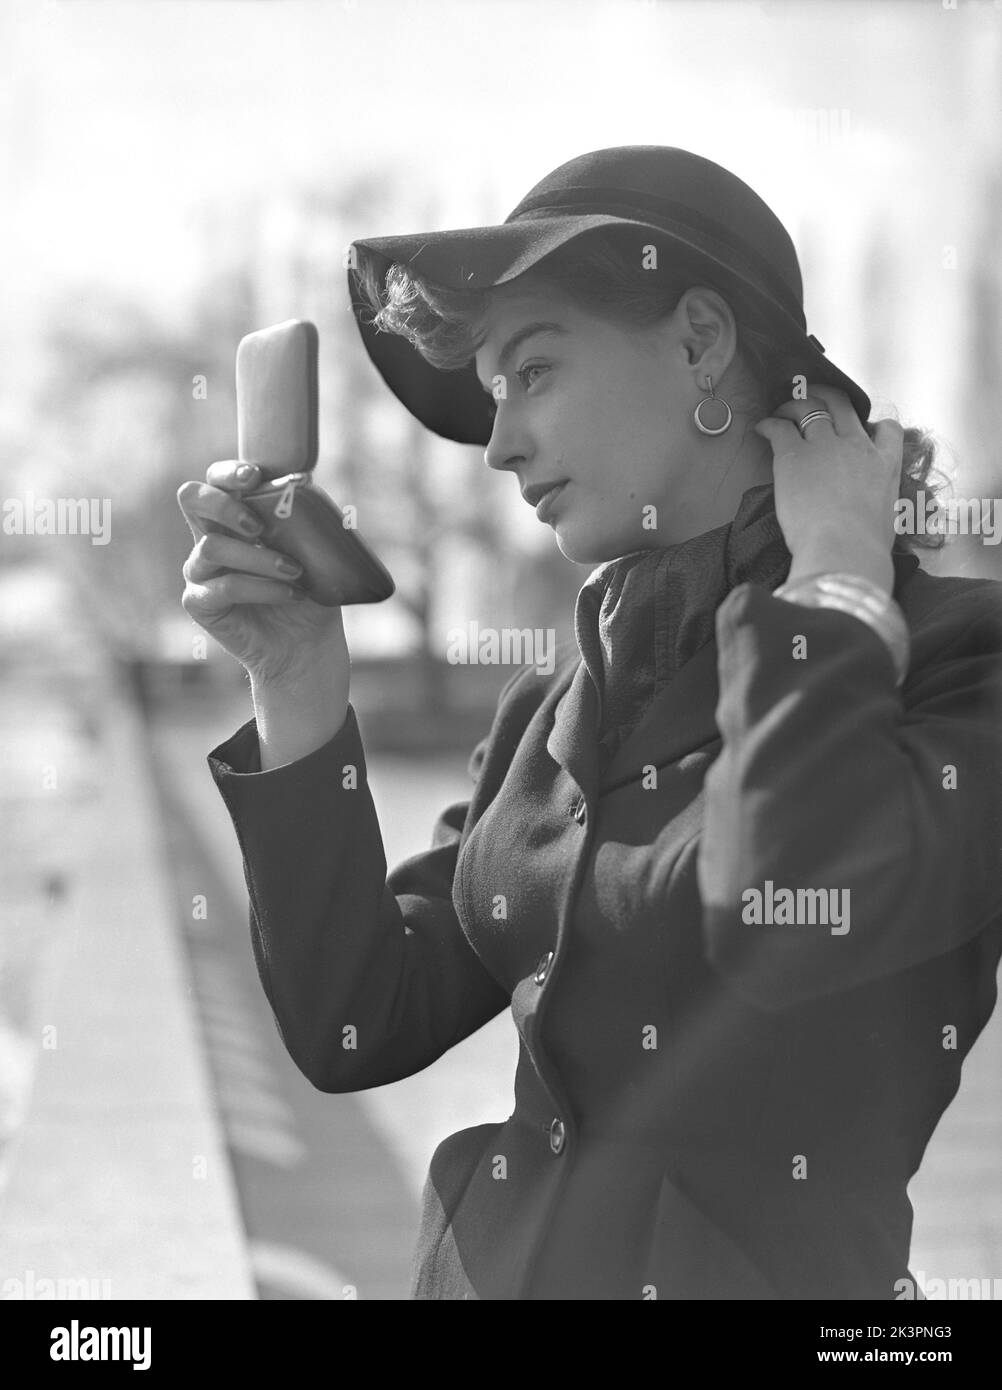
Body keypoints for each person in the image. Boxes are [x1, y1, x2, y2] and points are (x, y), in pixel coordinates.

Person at [177, 146, 1002, 1300]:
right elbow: (355, 1020)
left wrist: (837, 586)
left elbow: (800, 905)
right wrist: (298, 678)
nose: (499, 442)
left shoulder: (957, 651)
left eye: (535, 372)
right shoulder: (562, 691)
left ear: (700, 341)